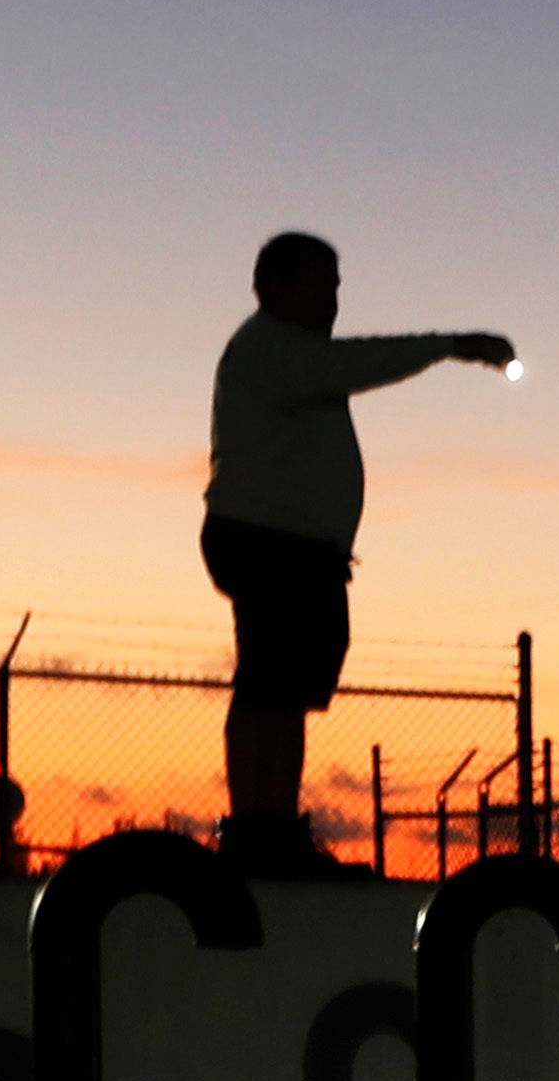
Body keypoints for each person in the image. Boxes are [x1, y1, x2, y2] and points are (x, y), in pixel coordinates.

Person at [200, 229, 511, 874]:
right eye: (318, 284)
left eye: (335, 286)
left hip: (296, 547)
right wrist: (449, 346)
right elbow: (350, 365)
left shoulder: (287, 353)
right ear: (272, 288)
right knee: (268, 685)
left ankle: (271, 830)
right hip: (267, 541)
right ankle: (255, 832)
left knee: (285, 689)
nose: (332, 299)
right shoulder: (272, 349)